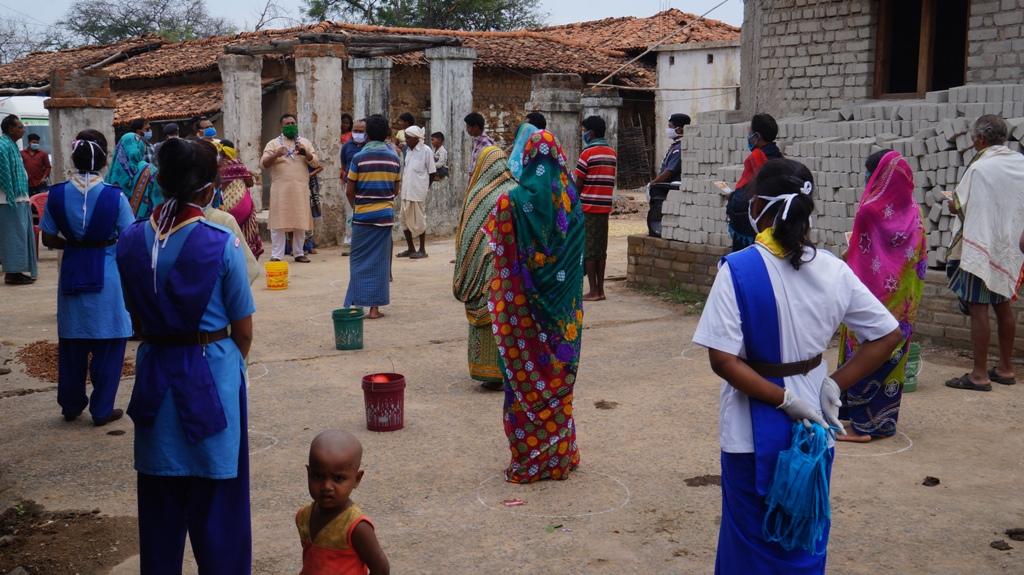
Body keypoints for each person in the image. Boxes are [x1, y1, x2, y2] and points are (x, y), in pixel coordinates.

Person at [692, 158, 902, 574]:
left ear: (758, 206)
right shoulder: (834, 270)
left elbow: (723, 359)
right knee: (804, 529)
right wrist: (833, 384)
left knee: (749, 539)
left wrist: (783, 400)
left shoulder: (738, 270)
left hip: (751, 426)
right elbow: (887, 335)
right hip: (816, 425)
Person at [116, 138, 255, 573]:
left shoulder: (130, 241)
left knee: (159, 502)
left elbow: (136, 319)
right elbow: (243, 330)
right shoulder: (221, 241)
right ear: (209, 189)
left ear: (159, 181)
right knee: (219, 501)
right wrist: (227, 365)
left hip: (156, 372)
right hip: (212, 370)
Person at [485, 129, 585, 483]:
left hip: (522, 316)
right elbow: (576, 262)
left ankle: (530, 459)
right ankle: (560, 454)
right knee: (558, 380)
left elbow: (499, 256)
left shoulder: (508, 204)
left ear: (525, 158)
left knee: (525, 383)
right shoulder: (573, 201)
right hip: (564, 318)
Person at [40, 130, 133, 426]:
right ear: (104, 162)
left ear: (73, 159)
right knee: (110, 340)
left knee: (72, 341)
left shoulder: (56, 194)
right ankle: (102, 409)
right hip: (106, 271)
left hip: (72, 269)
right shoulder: (115, 196)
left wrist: (73, 244)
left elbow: (47, 237)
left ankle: (70, 405)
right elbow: (129, 236)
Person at [836, 150, 926, 442]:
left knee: (865, 351)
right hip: (902, 305)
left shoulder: (869, 210)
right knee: (891, 356)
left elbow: (859, 256)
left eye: (868, 172)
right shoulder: (915, 212)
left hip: (870, 297)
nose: (866, 178)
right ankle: (882, 422)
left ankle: (861, 426)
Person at [945, 115, 1024, 392]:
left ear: (980, 138)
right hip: (1009, 247)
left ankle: (979, 375)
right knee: (1003, 306)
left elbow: (959, 205)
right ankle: (1005, 368)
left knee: (978, 307)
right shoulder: (1020, 163)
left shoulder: (979, 168)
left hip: (981, 245)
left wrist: (951, 204)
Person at [454, 144, 517, 391]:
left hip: (481, 276)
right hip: (506, 271)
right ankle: (506, 370)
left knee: (486, 319)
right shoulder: (514, 192)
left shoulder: (475, 195)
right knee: (505, 319)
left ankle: (486, 371)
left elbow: (466, 237)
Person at [297, 430, 389, 575]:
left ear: (357, 479)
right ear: (308, 473)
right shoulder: (303, 517)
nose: (326, 486)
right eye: (318, 476)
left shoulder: (356, 527)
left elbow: (381, 568)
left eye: (338, 478)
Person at [345, 114, 401, 320]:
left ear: (367, 134)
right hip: (384, 216)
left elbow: (349, 191)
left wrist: (358, 207)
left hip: (363, 217)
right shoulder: (394, 159)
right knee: (380, 263)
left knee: (358, 261)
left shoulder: (358, 158)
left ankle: (356, 303)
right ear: (386, 134)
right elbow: (396, 190)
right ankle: (374, 309)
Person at [262, 113, 318, 263]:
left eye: (293, 123)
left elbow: (316, 163)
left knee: (300, 220)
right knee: (278, 222)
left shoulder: (304, 142)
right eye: (287, 124)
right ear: (281, 126)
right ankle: (277, 255)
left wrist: (306, 153)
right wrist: (276, 154)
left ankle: (299, 253)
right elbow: (264, 164)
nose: (291, 126)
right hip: (280, 189)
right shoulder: (273, 144)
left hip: (300, 188)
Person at [574, 115, 618, 302]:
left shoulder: (587, 153)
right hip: (604, 207)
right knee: (601, 249)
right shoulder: (611, 152)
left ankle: (593, 291)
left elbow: (578, 184)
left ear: (590, 133)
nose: (583, 134)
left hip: (589, 207)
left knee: (590, 250)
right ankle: (601, 290)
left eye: (584, 131)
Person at [727, 113, 784, 252]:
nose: (748, 136)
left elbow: (750, 194)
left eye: (750, 132)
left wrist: (734, 198)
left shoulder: (757, 158)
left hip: (752, 228)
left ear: (756, 136)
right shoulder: (779, 159)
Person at [0, 114, 37, 285]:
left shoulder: (11, 145)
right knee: (13, 238)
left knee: (20, 236)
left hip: (19, 198)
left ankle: (17, 271)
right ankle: (12, 273)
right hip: (9, 200)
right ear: (10, 129)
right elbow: (3, 173)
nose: (23, 129)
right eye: (20, 127)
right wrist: (11, 192)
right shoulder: (3, 146)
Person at [216, 139, 264, 261]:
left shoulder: (217, 167)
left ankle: (232, 259)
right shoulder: (238, 164)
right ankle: (248, 259)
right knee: (248, 232)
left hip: (226, 205)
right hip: (243, 204)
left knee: (230, 232)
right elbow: (249, 183)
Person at [109, 119, 162, 218]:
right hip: (143, 224)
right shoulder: (150, 171)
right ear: (140, 148)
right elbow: (158, 202)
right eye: (147, 129)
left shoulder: (112, 174)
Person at [647, 113, 689, 237]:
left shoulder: (680, 148)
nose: (668, 130)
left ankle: (658, 229)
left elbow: (669, 172)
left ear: (679, 129)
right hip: (669, 185)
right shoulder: (675, 145)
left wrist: (653, 183)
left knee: (657, 197)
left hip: (671, 187)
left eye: (670, 127)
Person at [397, 125, 435, 259]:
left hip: (418, 193)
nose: (406, 140)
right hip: (406, 191)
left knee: (419, 221)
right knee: (403, 220)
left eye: (408, 138)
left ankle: (422, 250)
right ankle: (411, 248)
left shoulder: (426, 151)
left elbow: (432, 172)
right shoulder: (408, 151)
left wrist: (425, 188)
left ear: (416, 138)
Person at [340, 119, 367, 252]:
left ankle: (364, 242)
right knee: (350, 213)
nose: (358, 134)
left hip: (366, 185)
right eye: (355, 131)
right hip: (350, 185)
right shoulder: (346, 146)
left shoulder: (369, 146)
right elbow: (344, 164)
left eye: (361, 131)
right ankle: (349, 241)